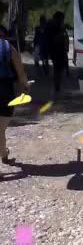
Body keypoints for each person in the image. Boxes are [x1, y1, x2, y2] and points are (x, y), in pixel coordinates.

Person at [0, 35, 30, 164]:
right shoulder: (7, 47)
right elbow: (21, 72)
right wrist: (25, 86)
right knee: (0, 128)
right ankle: (3, 153)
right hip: (4, 91)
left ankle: (3, 152)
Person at [47, 11, 67, 95]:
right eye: (62, 19)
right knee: (58, 68)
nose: (63, 20)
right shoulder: (55, 27)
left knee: (58, 68)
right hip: (56, 50)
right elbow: (56, 39)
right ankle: (57, 85)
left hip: (58, 50)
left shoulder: (56, 26)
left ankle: (57, 84)